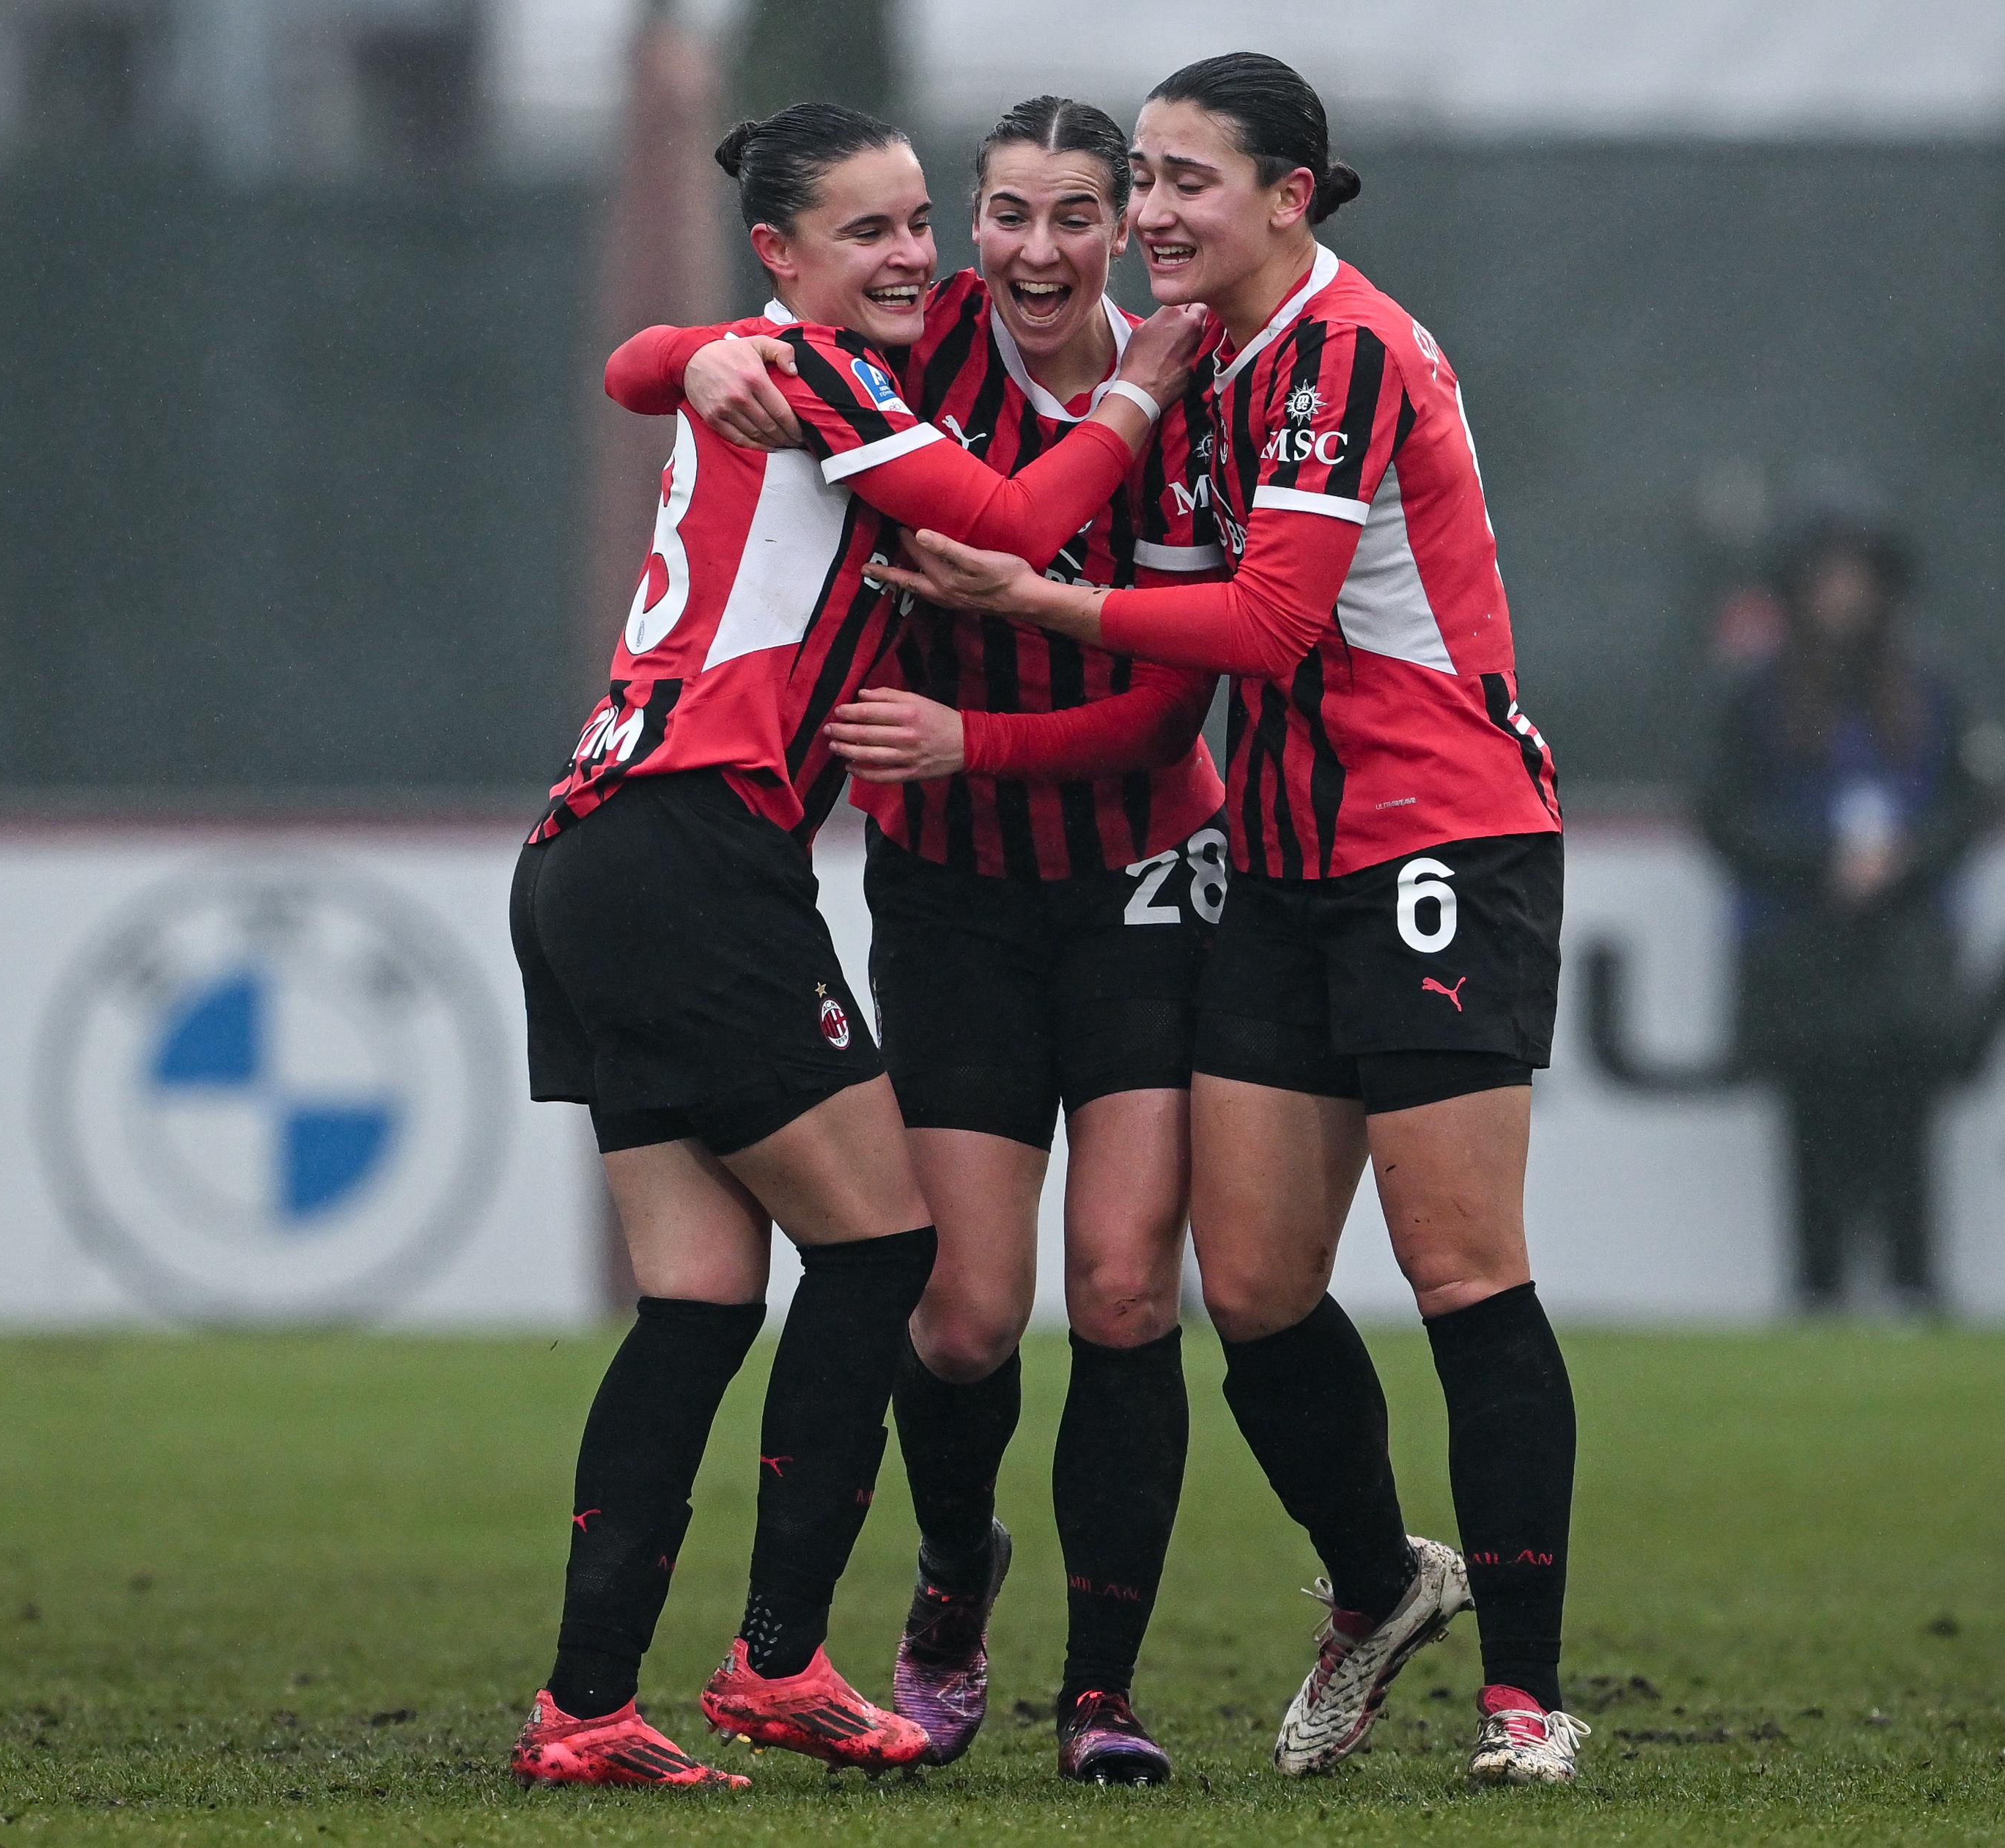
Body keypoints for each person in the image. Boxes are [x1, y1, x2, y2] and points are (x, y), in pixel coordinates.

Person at [868, 53, 1588, 1789]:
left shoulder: (1342, 349)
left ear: (1289, 196)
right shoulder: (1197, 369)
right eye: (1150, 177)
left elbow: (1266, 626)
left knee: (1459, 1268)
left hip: (1433, 838)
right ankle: (1379, 1589)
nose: (1155, 211)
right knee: (1253, 1288)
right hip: (1273, 858)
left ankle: (1523, 1700)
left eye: (1187, 180)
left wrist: (1032, 598)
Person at [505, 100, 1203, 1792]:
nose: (909, 256)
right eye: (869, 230)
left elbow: (640, 365)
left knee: (696, 1301)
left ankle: (584, 1704)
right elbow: (1010, 527)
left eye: (913, 225)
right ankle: (776, 1658)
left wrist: (680, 352)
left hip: (587, 856)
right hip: (692, 854)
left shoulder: (773, 363)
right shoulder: (821, 373)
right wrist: (1135, 389)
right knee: (886, 1251)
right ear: (780, 254)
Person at [1695, 513, 1998, 1317]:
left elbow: (1972, 805)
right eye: (1828, 579)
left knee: (1906, 1121)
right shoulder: (1756, 696)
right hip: (1799, 941)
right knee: (1812, 1122)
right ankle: (1818, 1287)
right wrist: (1818, 862)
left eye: (1857, 580)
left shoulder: (1929, 689)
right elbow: (1722, 814)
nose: (1843, 597)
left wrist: (1905, 861)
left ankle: (1914, 1284)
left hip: (1903, 944)